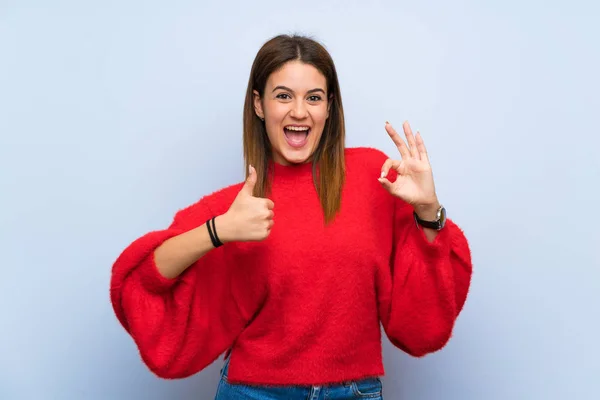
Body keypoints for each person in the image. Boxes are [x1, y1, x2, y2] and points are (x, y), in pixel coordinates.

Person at [109, 34, 473, 400]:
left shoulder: (373, 176)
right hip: (253, 393)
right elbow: (140, 281)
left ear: (329, 108)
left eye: (313, 98)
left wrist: (428, 210)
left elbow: (423, 326)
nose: (299, 111)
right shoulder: (239, 205)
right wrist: (220, 230)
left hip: (354, 392)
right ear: (259, 104)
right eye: (283, 95)